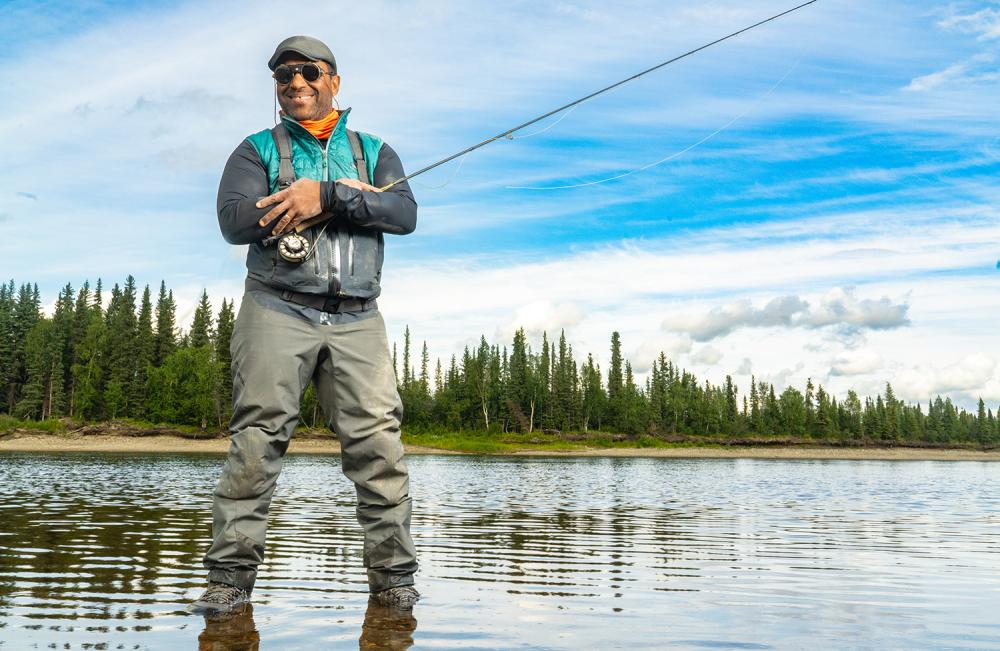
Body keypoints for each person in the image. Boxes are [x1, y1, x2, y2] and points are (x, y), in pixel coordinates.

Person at [191, 35, 419, 613]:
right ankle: (229, 582)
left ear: (334, 82)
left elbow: (405, 213)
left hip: (359, 317)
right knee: (256, 443)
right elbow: (234, 220)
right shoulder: (255, 149)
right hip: (275, 306)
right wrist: (300, 197)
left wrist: (332, 195)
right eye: (284, 77)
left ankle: (393, 581)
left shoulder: (374, 150)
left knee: (379, 449)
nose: (297, 85)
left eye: (309, 74)